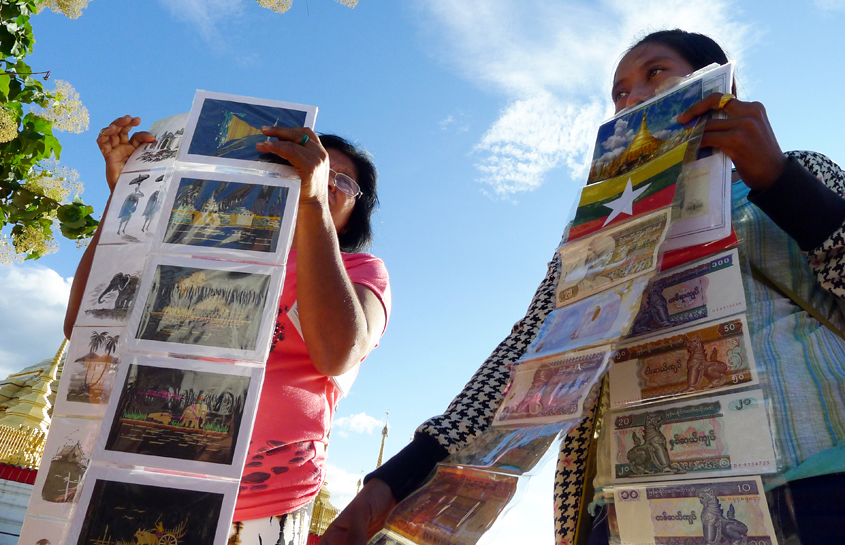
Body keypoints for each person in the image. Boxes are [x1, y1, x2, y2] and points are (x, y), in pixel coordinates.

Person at [321, 29, 845, 545]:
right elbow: (527, 361)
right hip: (629, 513)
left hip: (812, 486)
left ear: (715, 83)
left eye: (654, 73)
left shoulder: (803, 173)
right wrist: (395, 480)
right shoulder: (598, 234)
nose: (632, 97)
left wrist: (778, 180)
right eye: (619, 92)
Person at [64, 116, 391, 545]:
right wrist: (129, 195)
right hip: (132, 477)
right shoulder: (194, 254)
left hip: (259, 503)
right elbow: (84, 325)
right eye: (308, 169)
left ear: (353, 217)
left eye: (341, 182)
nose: (325, 182)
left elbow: (337, 353)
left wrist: (311, 200)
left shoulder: (360, 271)